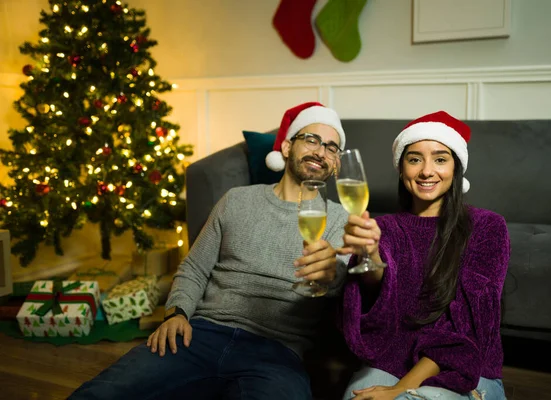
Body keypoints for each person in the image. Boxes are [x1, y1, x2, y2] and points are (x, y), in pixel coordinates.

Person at [69, 101, 350, 400]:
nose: (321, 151)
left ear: (336, 165)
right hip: (199, 334)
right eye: (311, 140)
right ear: (285, 147)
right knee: (100, 394)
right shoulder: (236, 201)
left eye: (332, 147)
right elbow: (194, 267)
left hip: (278, 353)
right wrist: (176, 313)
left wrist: (332, 274)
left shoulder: (339, 219)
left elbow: (341, 284)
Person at [338, 111, 510, 400]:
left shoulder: (487, 227)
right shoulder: (383, 228)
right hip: (391, 360)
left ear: (456, 168)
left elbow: (467, 328)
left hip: (465, 366)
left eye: (440, 159)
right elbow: (373, 306)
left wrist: (400, 389)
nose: (426, 171)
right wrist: (370, 256)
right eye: (415, 158)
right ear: (401, 167)